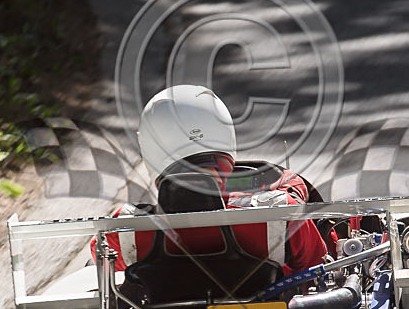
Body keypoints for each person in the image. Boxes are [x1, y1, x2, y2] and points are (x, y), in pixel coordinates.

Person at [90, 85, 334, 278]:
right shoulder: (277, 214)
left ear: (150, 148)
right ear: (224, 133)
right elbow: (319, 269)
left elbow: (99, 260)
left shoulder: (125, 230)